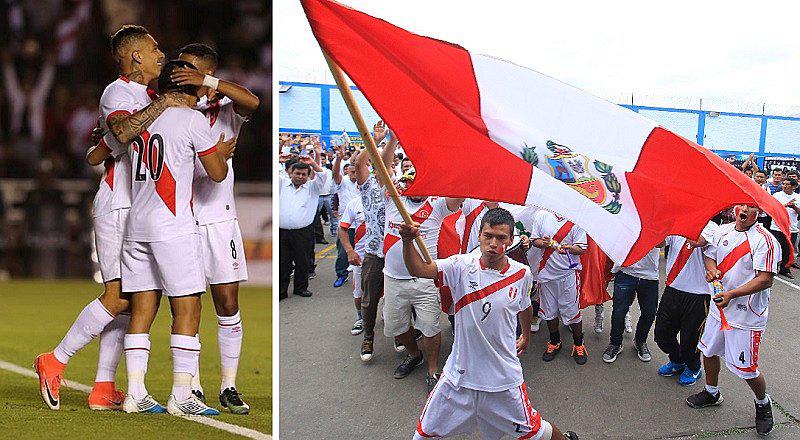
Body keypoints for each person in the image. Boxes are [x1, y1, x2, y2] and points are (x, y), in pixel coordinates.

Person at [34, 24, 179, 411]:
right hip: (118, 205)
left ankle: (102, 387)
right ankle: (55, 360)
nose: (161, 55)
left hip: (138, 207)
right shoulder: (119, 92)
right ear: (135, 57)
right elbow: (122, 129)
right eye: (154, 49)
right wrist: (163, 104)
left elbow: (102, 149)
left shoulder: (145, 95)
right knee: (118, 297)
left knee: (132, 300)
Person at [399, 208, 579, 440]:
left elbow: (525, 305)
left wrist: (526, 334)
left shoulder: (522, 273)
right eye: (488, 236)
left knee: (535, 432)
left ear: (511, 240)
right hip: (458, 377)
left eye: (501, 238)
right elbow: (421, 269)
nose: (493, 244)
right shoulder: (460, 266)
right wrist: (407, 242)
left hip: (502, 379)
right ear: (480, 236)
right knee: (422, 436)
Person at [120, 59, 231, 415]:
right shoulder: (193, 119)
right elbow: (215, 174)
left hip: (137, 225)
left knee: (141, 309)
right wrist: (221, 155)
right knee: (188, 306)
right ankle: (182, 395)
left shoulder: (144, 117)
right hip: (173, 225)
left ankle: (135, 393)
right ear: (191, 89)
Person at [173, 43, 260, 414]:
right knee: (187, 305)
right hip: (180, 219)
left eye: (191, 68)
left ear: (208, 71)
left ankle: (229, 385)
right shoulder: (173, 112)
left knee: (227, 303)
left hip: (219, 220)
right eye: (181, 68)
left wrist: (208, 81)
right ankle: (191, 387)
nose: (183, 74)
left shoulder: (226, 110)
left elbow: (253, 102)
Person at [686, 204, 779, 436]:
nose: (744, 211)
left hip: (746, 317)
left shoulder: (765, 241)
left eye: (751, 208)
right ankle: (711, 392)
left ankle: (762, 403)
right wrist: (712, 271)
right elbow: (710, 257)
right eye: (742, 206)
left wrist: (732, 294)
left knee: (747, 369)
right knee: (708, 351)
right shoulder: (722, 231)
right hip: (720, 309)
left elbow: (765, 280)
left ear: (760, 213)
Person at [382, 166, 462, 391]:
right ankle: (414, 355)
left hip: (424, 281)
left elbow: (459, 195)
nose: (415, 188)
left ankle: (433, 369)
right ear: (404, 184)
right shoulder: (392, 201)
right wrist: (390, 140)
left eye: (421, 183)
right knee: (399, 326)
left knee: (429, 327)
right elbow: (380, 166)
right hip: (393, 279)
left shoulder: (436, 206)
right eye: (410, 183)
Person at [654, 221, 718, 386]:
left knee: (690, 340)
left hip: (698, 294)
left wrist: (677, 224)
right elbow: (660, 243)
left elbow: (696, 241)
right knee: (662, 334)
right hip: (673, 289)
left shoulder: (711, 227)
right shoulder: (676, 222)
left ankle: (693, 367)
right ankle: (677, 361)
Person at [352, 121, 394, 362]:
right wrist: (374, 141)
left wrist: (394, 138)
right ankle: (368, 336)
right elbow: (359, 163)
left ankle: (400, 334)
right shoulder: (367, 188)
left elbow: (386, 163)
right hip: (374, 253)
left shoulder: (393, 190)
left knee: (398, 297)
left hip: (395, 254)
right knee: (369, 299)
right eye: (376, 167)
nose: (381, 171)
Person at [530, 210, 588, 365]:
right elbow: (534, 240)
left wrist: (568, 248)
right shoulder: (542, 215)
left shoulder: (577, 218)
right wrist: (544, 243)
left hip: (568, 274)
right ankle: (555, 342)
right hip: (546, 273)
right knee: (549, 312)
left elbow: (582, 248)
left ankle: (578, 344)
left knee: (572, 312)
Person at [279, 157, 328, 299]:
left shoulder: (312, 188)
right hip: (282, 231)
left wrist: (313, 163)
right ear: (290, 173)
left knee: (303, 261)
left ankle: (301, 288)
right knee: (283, 262)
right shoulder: (282, 184)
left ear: (308, 176)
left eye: (303, 174)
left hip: (303, 232)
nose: (300, 176)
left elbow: (322, 175)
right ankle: (281, 290)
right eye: (297, 173)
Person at [602, 247, 661, 363]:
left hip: (649, 275)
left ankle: (640, 341)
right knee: (619, 312)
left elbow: (663, 243)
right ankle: (615, 343)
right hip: (626, 272)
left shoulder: (658, 227)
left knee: (649, 313)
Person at [332, 142, 360, 288]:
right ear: (347, 172)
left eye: (356, 171)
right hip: (346, 225)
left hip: (363, 225)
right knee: (343, 253)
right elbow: (335, 173)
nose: (354, 174)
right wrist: (339, 158)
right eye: (351, 172)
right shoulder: (343, 183)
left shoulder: (366, 184)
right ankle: (341, 275)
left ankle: (361, 275)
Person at [337, 196, 367, 335]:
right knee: (359, 293)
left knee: (388, 293)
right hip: (361, 257)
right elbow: (342, 229)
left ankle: (388, 317)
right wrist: (350, 251)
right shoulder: (355, 203)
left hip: (385, 257)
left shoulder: (390, 200)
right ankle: (360, 317)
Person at [769, 177, 799, 279]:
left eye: (787, 184)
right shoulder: (777, 195)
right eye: (784, 184)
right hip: (777, 227)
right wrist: (785, 205)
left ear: (794, 186)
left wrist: (794, 206)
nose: (784, 186)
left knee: (787, 250)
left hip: (791, 228)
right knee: (775, 249)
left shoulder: (798, 197)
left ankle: (785, 269)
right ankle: (771, 269)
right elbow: (772, 209)